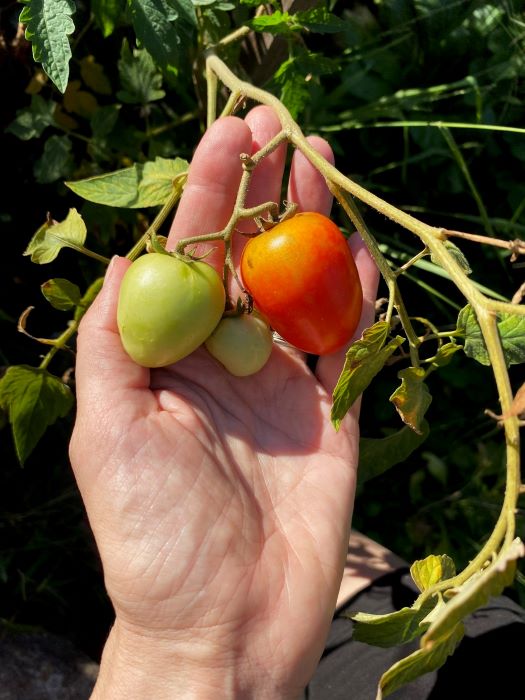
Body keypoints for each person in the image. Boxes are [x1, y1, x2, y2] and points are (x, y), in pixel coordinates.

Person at [69, 107, 525, 699]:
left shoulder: (244, 272)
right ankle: (345, 573)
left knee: (474, 634)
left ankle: (342, 576)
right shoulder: (255, 269)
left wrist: (186, 653)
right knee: (486, 631)